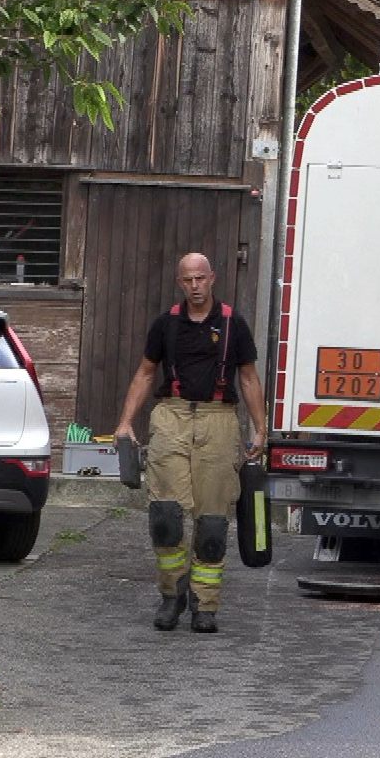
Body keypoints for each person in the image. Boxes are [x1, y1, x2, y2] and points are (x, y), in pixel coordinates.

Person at [114, 253, 267, 634]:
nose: (195, 286)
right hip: (171, 416)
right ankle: (172, 595)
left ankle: (205, 605)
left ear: (212, 278)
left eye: (201, 278)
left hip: (219, 421)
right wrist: (125, 422)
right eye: (187, 280)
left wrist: (260, 430)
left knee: (212, 522)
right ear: (179, 282)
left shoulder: (234, 324)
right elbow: (147, 372)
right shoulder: (166, 324)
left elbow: (248, 378)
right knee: (165, 518)